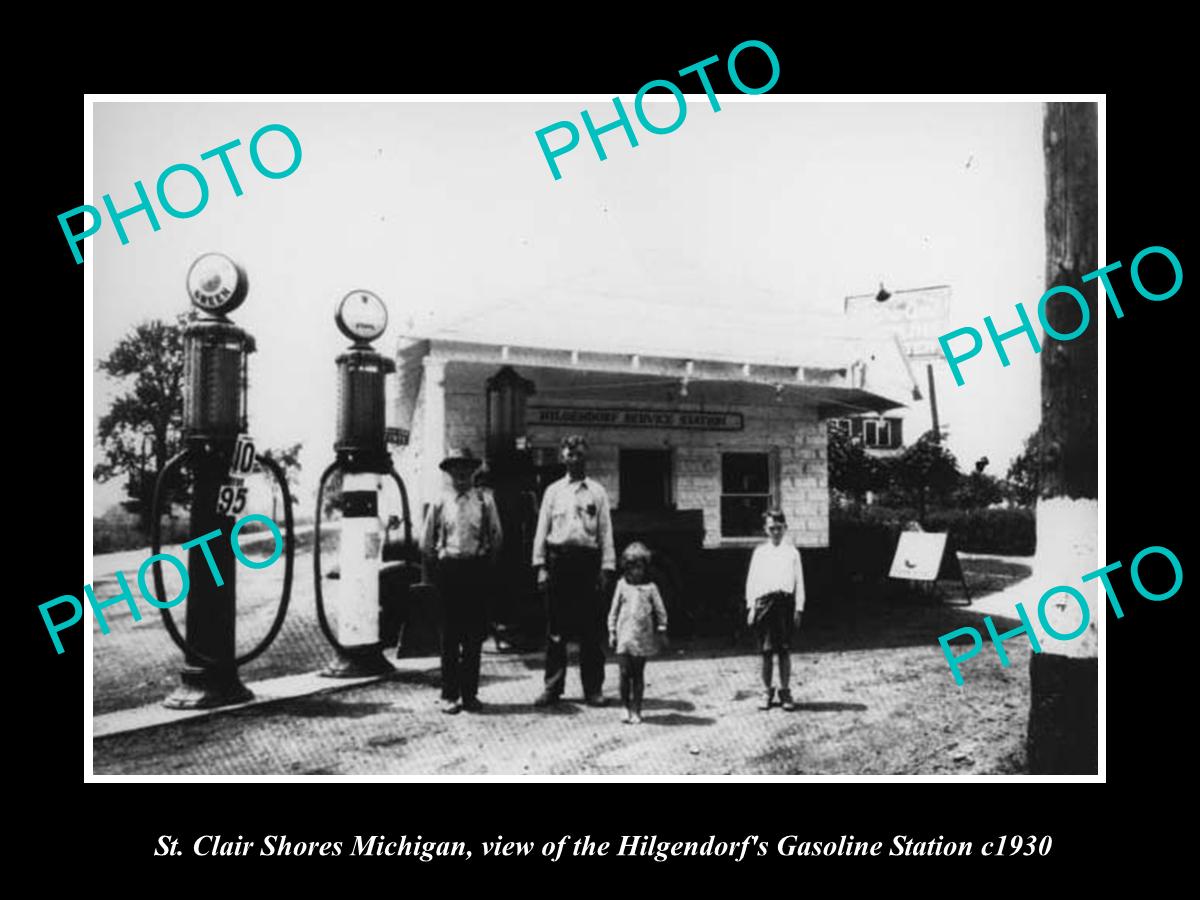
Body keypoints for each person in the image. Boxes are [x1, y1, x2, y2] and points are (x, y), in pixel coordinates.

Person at [530, 435, 616, 707]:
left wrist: (606, 567)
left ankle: (593, 689)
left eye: (579, 454)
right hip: (559, 562)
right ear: (562, 457)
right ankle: (553, 688)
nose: (574, 458)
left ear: (585, 457)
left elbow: (605, 532)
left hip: (588, 562)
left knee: (591, 630)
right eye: (569, 453)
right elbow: (541, 530)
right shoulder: (553, 491)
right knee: (556, 630)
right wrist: (541, 566)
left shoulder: (597, 492)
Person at [421, 447, 503, 714]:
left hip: (475, 571)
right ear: (449, 472)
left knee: (473, 636)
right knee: (449, 636)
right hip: (449, 571)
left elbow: (496, 537)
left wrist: (484, 568)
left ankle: (470, 694)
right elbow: (426, 542)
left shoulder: (484, 500)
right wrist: (438, 571)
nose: (460, 475)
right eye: (455, 470)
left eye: (465, 470)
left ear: (473, 471)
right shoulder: (440, 501)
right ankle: (449, 694)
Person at [744, 509, 806, 711]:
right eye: (772, 528)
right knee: (766, 651)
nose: (776, 532)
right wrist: (751, 607)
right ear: (766, 529)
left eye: (779, 528)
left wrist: (799, 607)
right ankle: (766, 691)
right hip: (764, 605)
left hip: (785, 605)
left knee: (784, 650)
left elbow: (799, 582)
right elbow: (752, 582)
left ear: (785, 528)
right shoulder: (760, 553)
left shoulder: (792, 553)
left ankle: (785, 691)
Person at [607, 542, 668, 725]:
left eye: (640, 567)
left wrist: (662, 629)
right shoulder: (621, 586)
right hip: (624, 637)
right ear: (626, 567)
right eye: (632, 567)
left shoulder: (651, 588)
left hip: (642, 637)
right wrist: (611, 631)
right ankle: (624, 707)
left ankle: (637, 709)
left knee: (638, 674)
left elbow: (660, 611)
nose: (636, 572)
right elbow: (614, 610)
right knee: (624, 673)